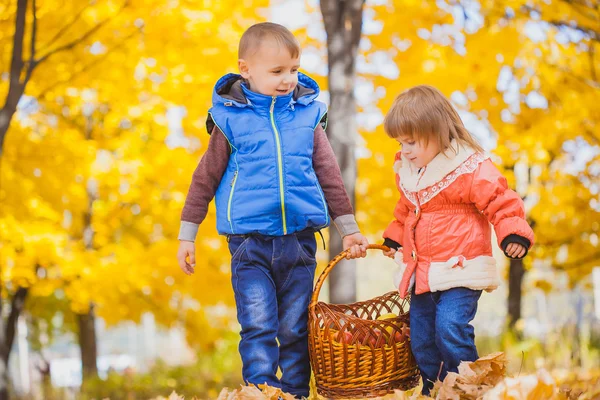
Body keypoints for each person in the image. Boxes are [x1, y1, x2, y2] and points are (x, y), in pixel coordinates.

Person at [176, 22, 369, 399]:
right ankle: (262, 392)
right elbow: (205, 178)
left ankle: (295, 393)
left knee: (296, 328)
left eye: (294, 70)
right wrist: (188, 234)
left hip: (299, 242)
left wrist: (348, 227)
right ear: (245, 69)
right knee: (258, 326)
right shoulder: (229, 120)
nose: (288, 80)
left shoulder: (308, 116)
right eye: (277, 71)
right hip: (250, 245)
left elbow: (329, 175)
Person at [380, 85, 534, 394]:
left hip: (459, 267)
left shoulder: (468, 167)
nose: (405, 150)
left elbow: (501, 200)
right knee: (422, 337)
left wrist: (512, 231)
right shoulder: (410, 173)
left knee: (450, 327)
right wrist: (395, 238)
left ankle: (470, 387)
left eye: (411, 141)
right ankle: (436, 389)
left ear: (437, 132)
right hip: (423, 272)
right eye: (400, 142)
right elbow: (405, 212)